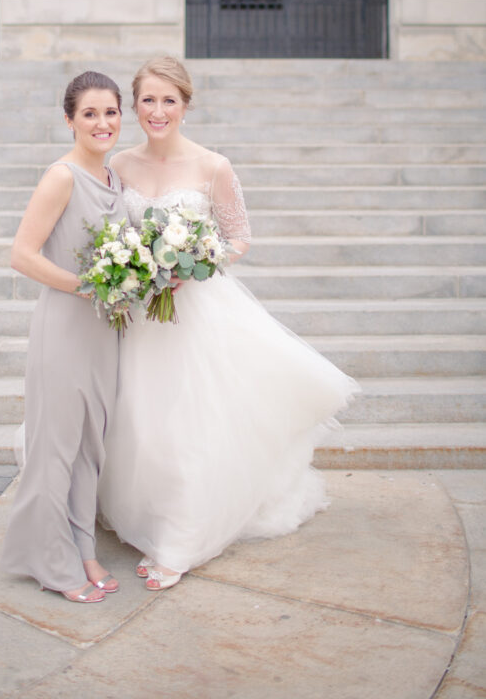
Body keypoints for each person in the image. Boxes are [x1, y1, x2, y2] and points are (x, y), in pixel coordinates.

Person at [98, 57, 358, 591]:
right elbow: (106, 234)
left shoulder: (213, 166)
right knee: (143, 423)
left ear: (186, 105)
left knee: (191, 425)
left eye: (170, 100)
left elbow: (239, 236)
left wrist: (194, 262)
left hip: (196, 310)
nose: (158, 110)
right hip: (141, 313)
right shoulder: (118, 165)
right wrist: (131, 265)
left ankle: (179, 541)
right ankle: (144, 515)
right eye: (148, 99)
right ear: (134, 105)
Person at [1, 71, 127, 604]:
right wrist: (87, 287)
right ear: (70, 120)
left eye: (111, 112)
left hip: (104, 330)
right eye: (90, 114)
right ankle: (49, 562)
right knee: (53, 448)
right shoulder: (62, 177)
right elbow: (22, 255)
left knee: (89, 448)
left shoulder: (115, 179)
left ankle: (82, 548)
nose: (103, 123)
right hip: (65, 325)